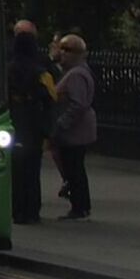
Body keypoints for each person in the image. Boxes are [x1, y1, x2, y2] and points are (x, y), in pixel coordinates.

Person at [7, 27, 57, 224]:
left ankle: (17, 210)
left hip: (12, 124)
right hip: (34, 126)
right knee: (32, 171)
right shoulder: (41, 73)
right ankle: (32, 210)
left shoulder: (7, 69)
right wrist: (48, 130)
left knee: (16, 171)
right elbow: (51, 99)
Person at [49, 34, 97, 220]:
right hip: (76, 129)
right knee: (74, 167)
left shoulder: (77, 74)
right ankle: (81, 205)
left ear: (76, 53)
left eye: (66, 49)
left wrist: (62, 123)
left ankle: (80, 206)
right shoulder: (74, 71)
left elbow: (78, 104)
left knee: (74, 168)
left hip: (75, 131)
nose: (61, 53)